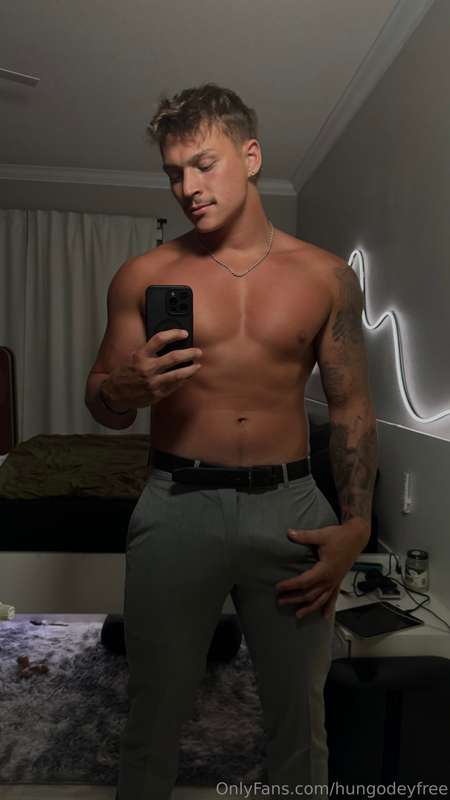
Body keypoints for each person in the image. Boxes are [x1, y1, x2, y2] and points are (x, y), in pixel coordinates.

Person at [85, 83, 378, 800]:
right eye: (173, 172)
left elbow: (351, 407)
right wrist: (125, 388)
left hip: (291, 509)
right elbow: (102, 403)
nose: (187, 187)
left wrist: (357, 525)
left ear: (250, 157)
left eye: (203, 164)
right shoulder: (144, 276)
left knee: (299, 718)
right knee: (153, 713)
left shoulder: (326, 277)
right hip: (177, 504)